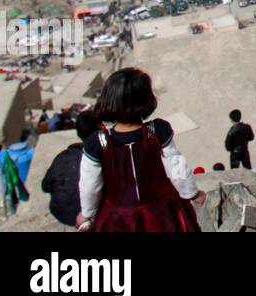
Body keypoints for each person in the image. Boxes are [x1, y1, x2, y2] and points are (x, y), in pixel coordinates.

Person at [77, 67, 202, 232]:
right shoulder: (157, 132)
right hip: (162, 212)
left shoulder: (98, 143)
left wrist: (87, 213)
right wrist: (191, 193)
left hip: (119, 217)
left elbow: (90, 185)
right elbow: (176, 167)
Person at [41, 112, 100, 228]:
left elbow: (46, 186)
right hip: (87, 215)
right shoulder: (102, 157)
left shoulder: (63, 157)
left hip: (61, 212)